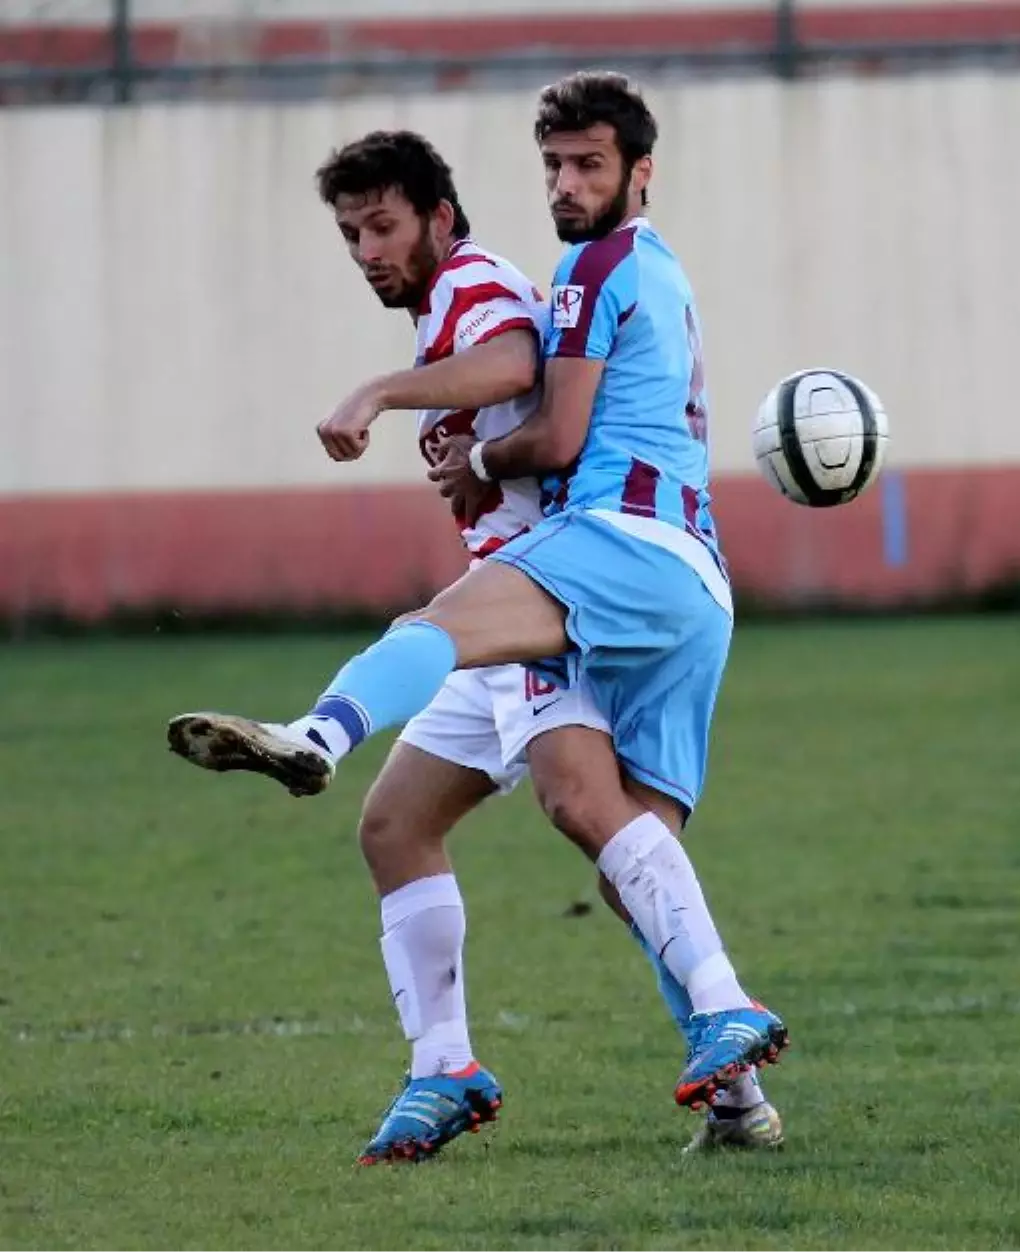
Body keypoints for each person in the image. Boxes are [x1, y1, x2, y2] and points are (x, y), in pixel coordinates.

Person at [168, 73, 788, 1163]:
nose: (366, 250)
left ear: (440, 219)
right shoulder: (605, 269)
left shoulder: (503, 280)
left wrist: (395, 405)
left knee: (553, 768)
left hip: (579, 581)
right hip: (617, 576)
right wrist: (466, 449)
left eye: (383, 226)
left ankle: (317, 734)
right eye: (351, 233)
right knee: (403, 825)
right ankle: (451, 1067)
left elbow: (528, 373)